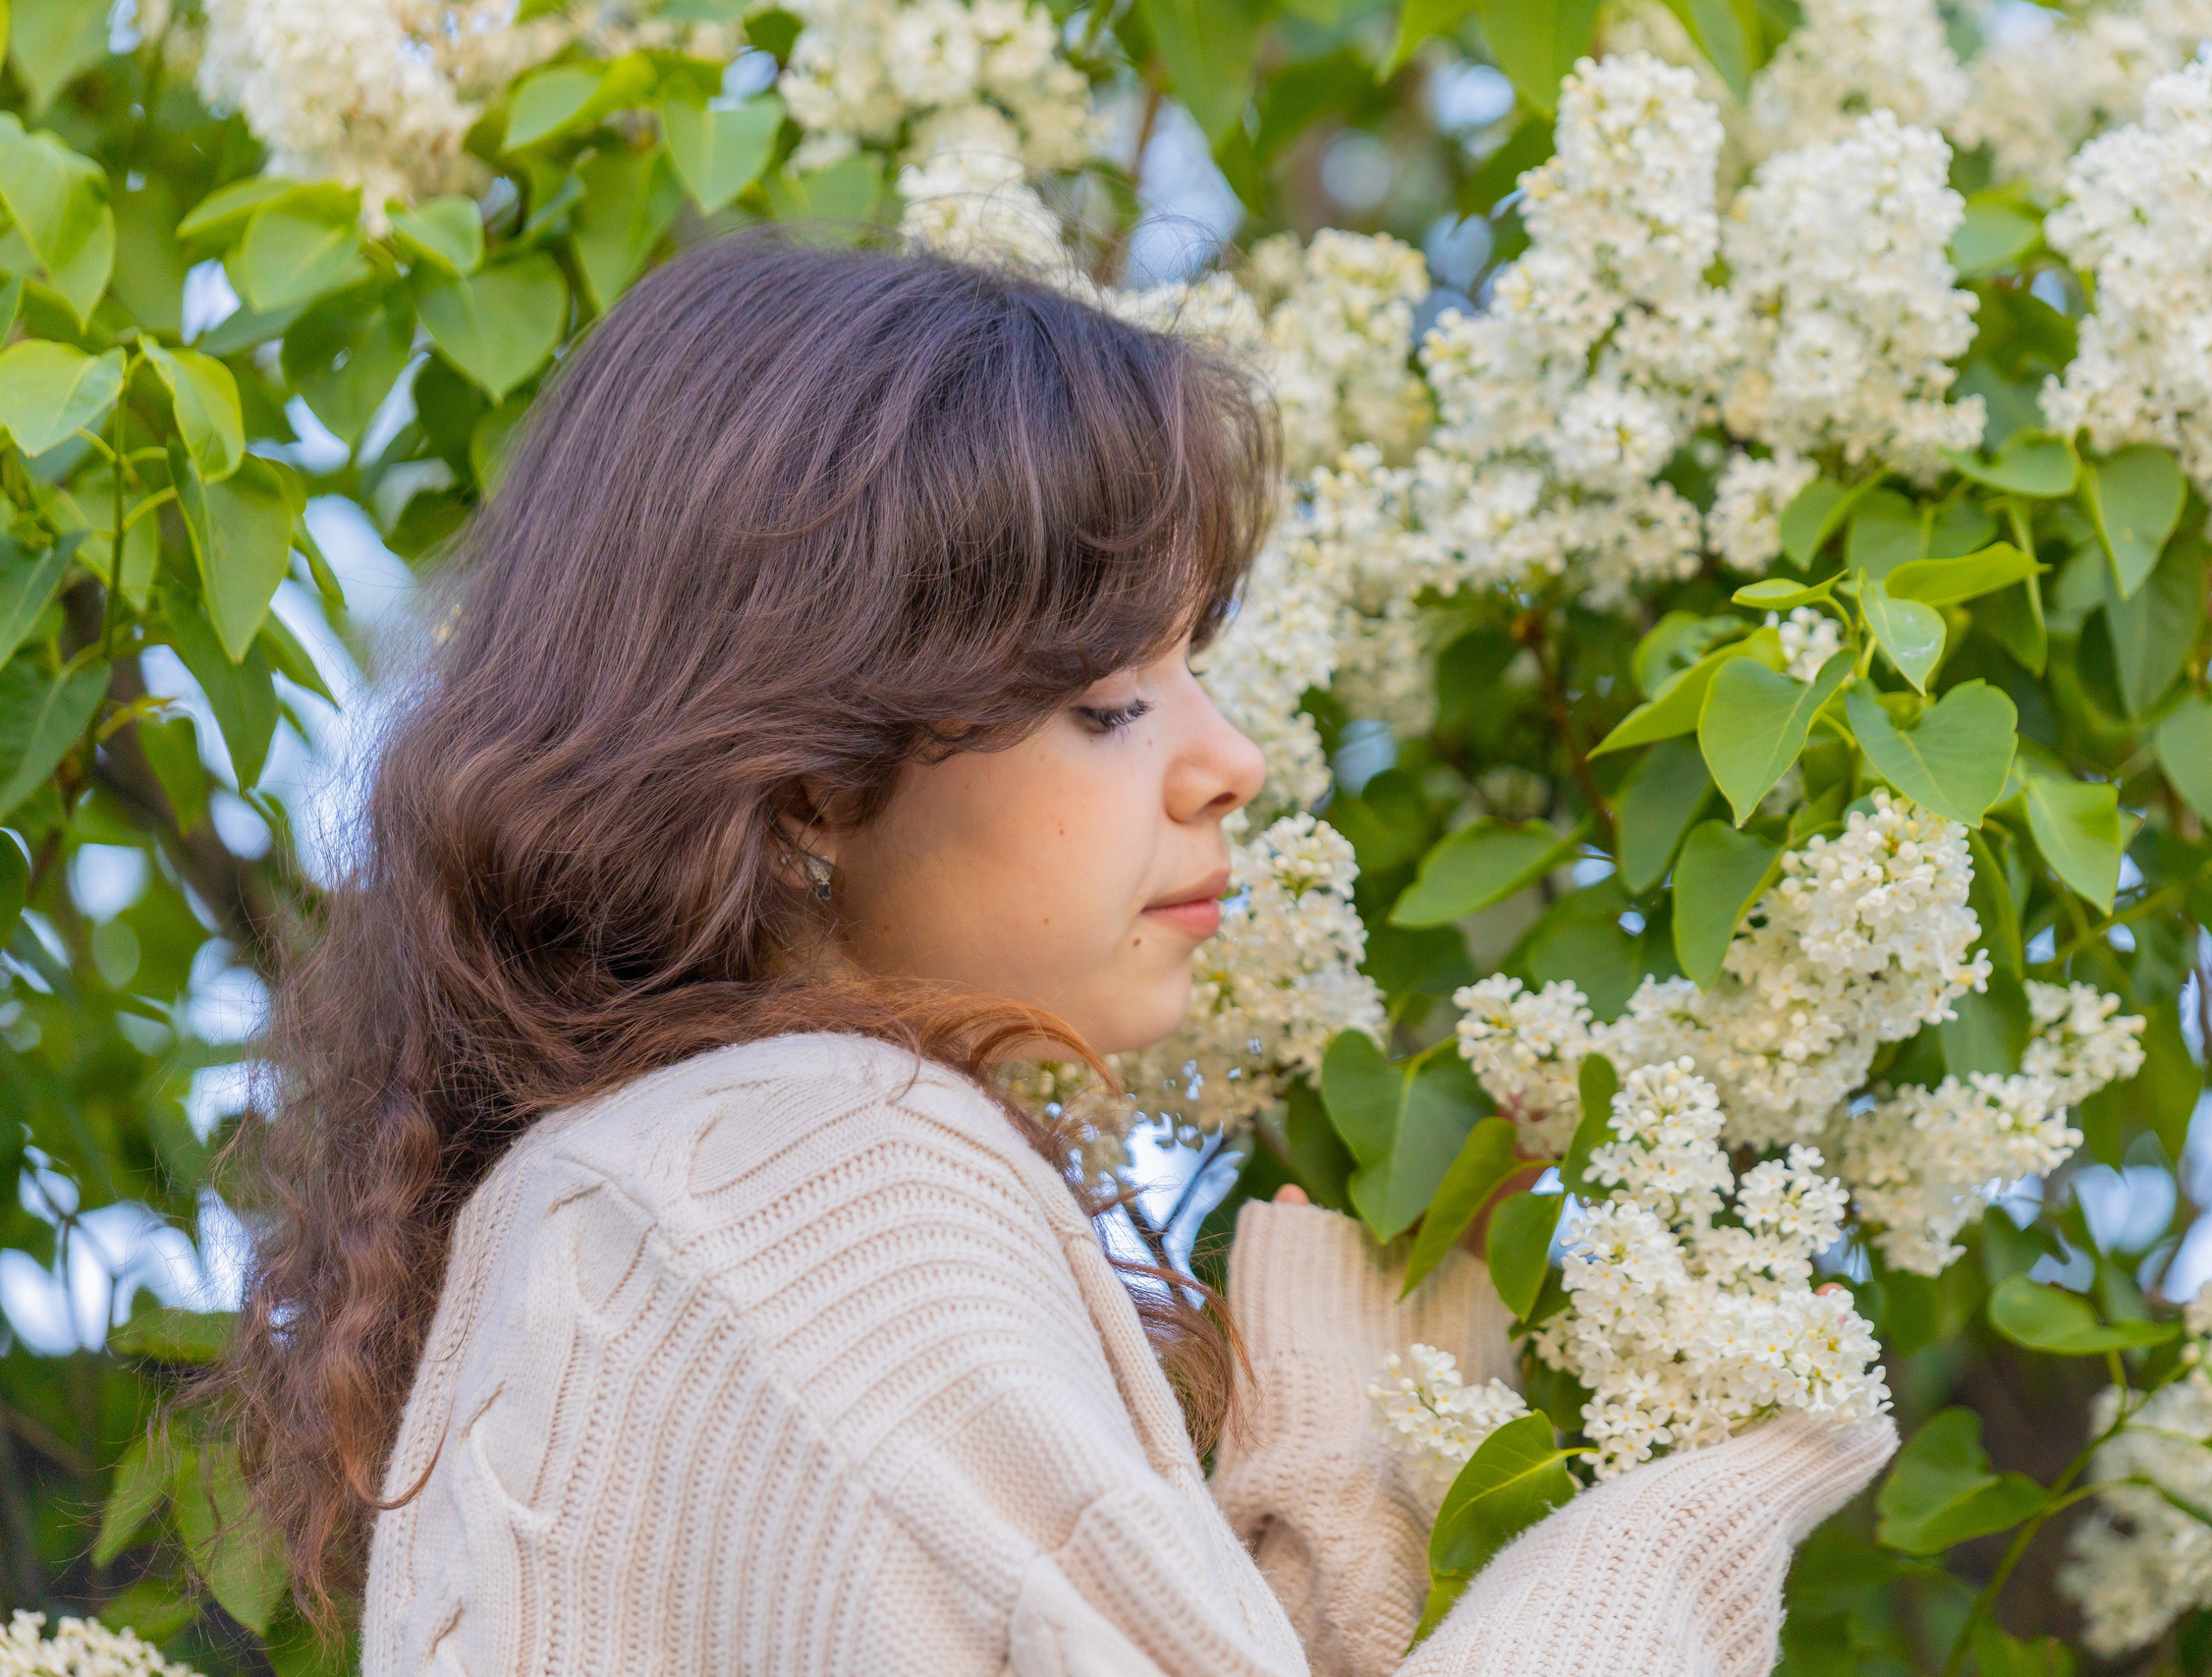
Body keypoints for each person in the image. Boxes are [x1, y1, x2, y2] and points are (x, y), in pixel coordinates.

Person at [210, 232, 1893, 1676]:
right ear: (804, 777)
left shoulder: (638, 1206)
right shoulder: (804, 1168)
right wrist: (1680, 1540)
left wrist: (1331, 1466)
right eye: (1110, 702)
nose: (1228, 758)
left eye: (1194, 667)